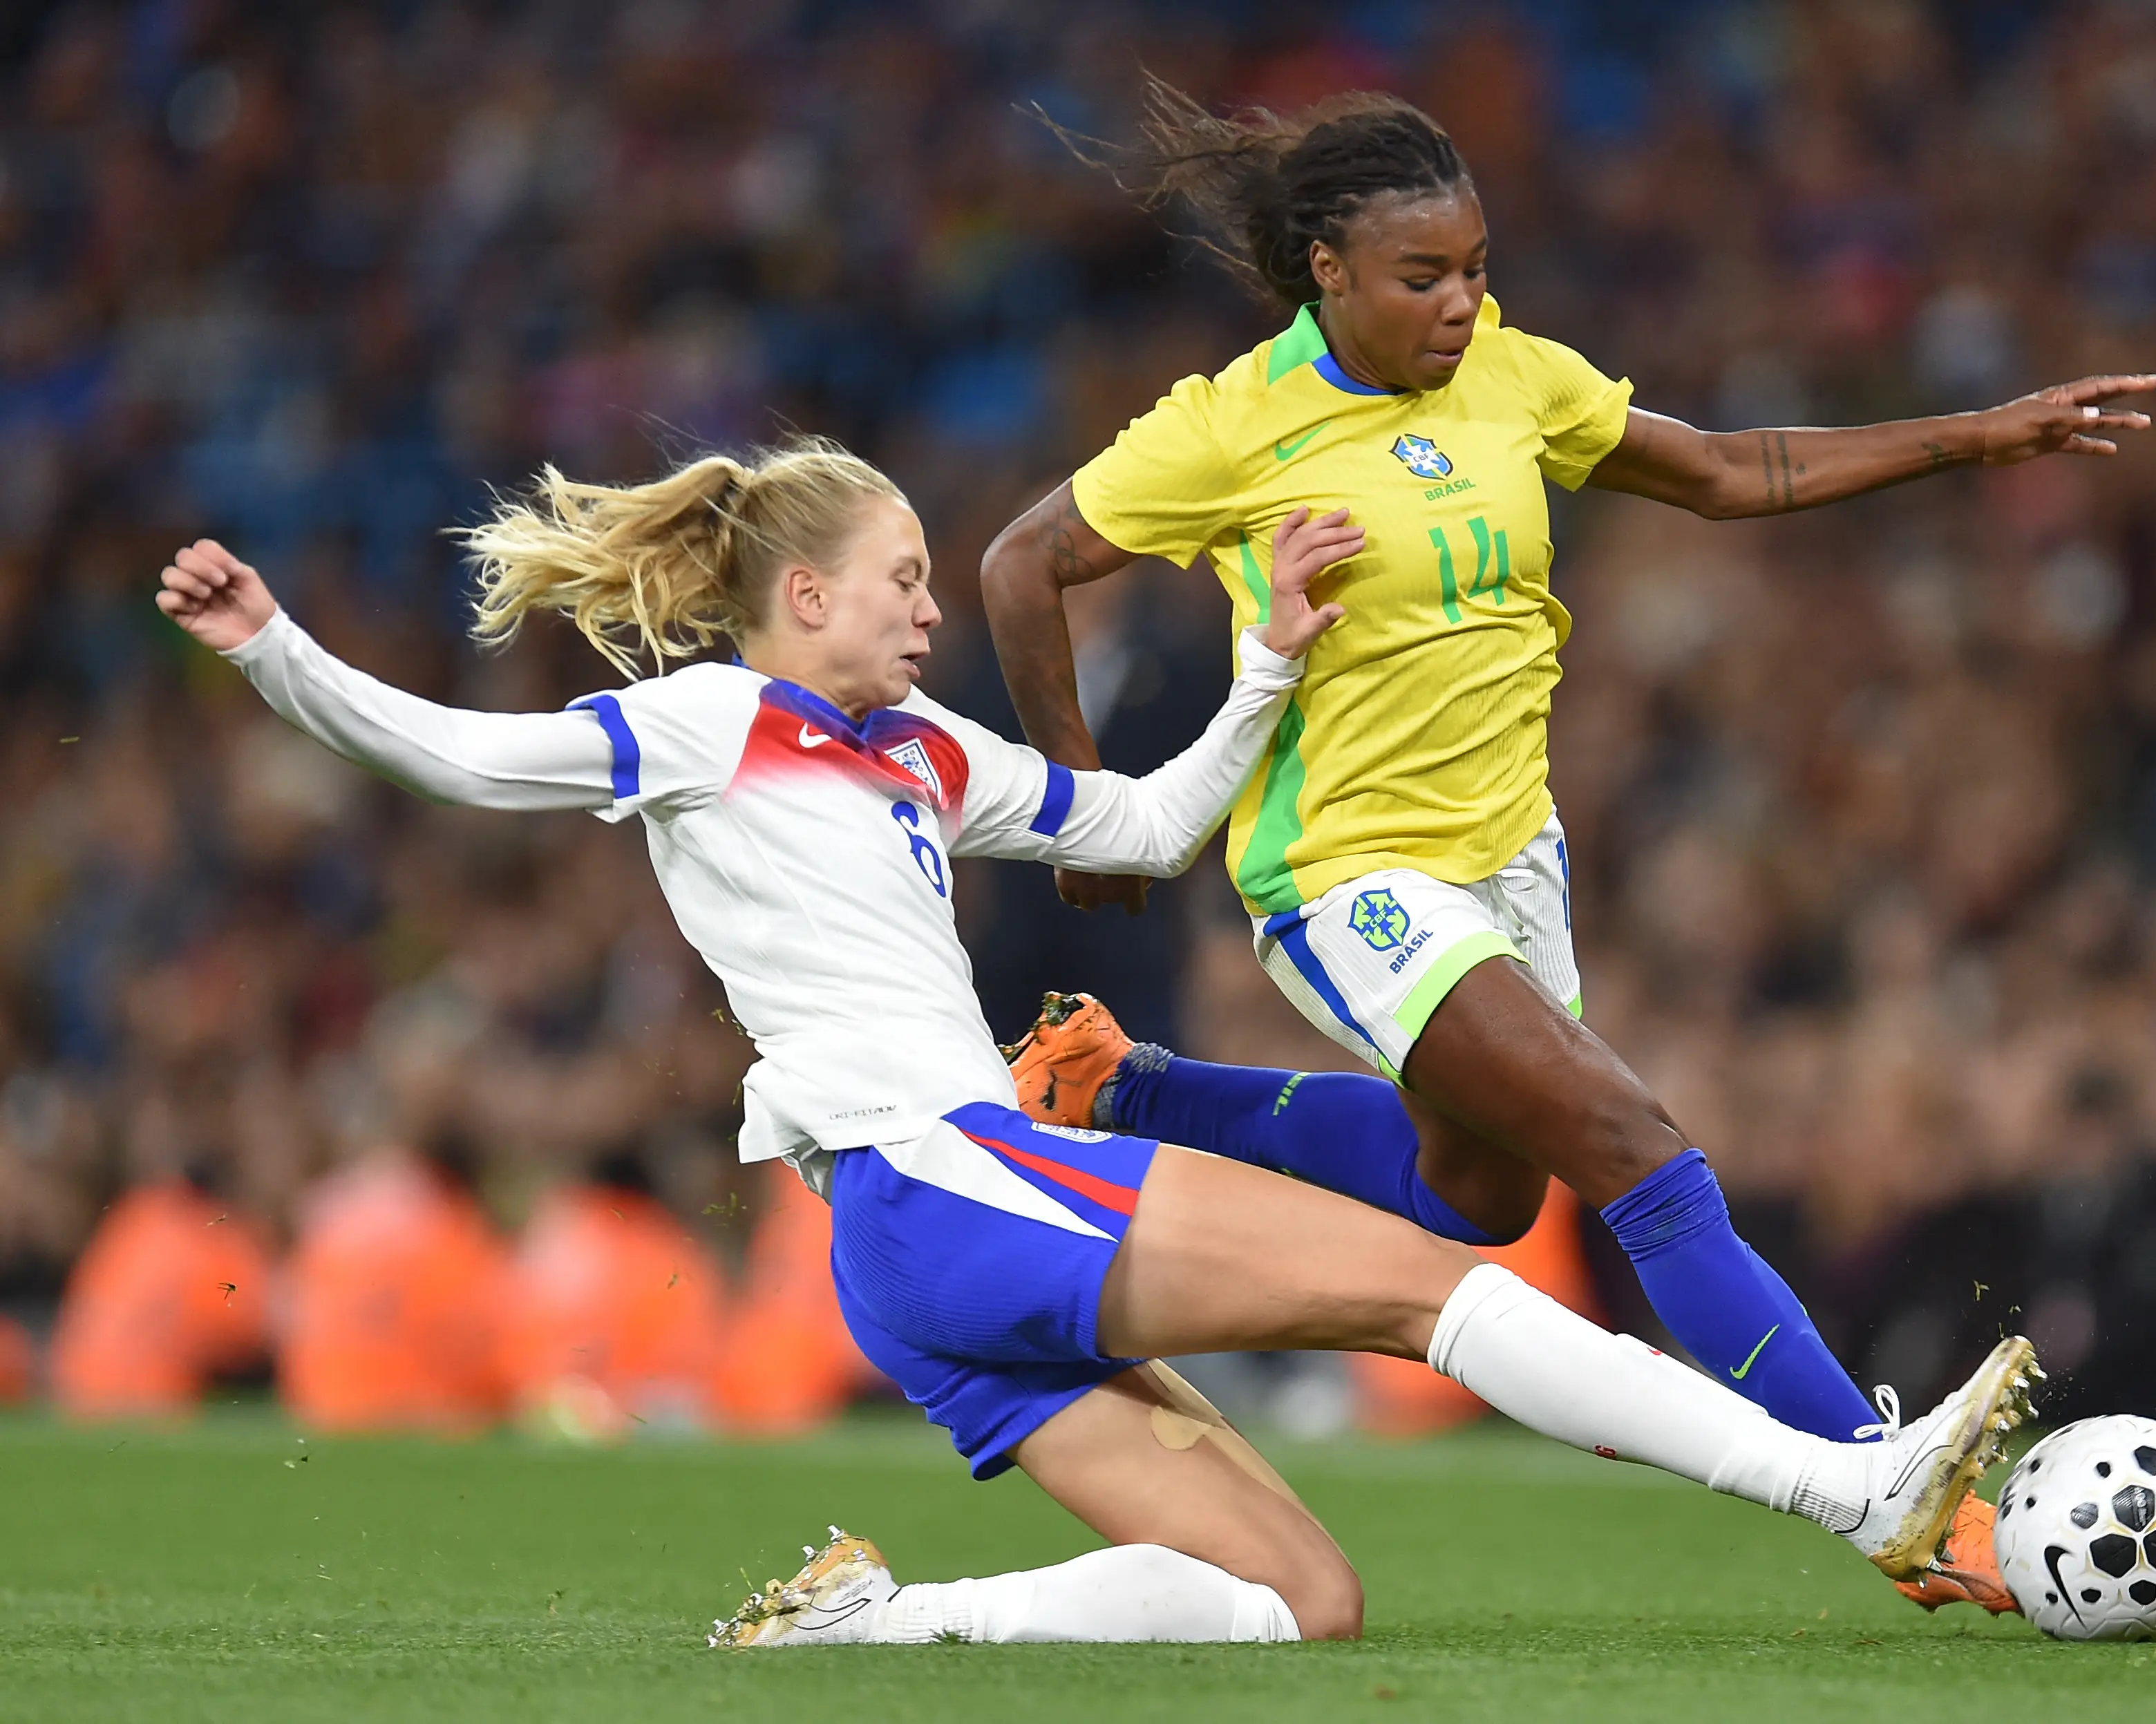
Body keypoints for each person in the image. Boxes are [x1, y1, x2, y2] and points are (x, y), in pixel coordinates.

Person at [157, 439, 2038, 1647]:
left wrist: (1272, 666)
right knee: (1425, 1284)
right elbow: (456, 751)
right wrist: (271, 648)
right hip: (942, 1167)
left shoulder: (918, 754)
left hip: (909, 1248)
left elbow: (1136, 823)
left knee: (1303, 1600)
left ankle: (867, 1624)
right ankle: (1844, 1479)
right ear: (800, 595)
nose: (925, 600)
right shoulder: (716, 719)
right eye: (901, 573)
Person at [981, 85, 2147, 1609]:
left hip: (1510, 859)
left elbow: (1731, 471)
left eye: (1473, 265)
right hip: (1346, 876)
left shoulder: (1514, 378)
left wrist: (1972, 440)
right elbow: (1022, 563)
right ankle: (1879, 1481)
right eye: (1423, 277)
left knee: (1475, 1197)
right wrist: (1081, 801)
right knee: (1632, 1149)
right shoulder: (1233, 424)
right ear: (1324, 269)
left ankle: (1110, 1084)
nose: (1461, 301)